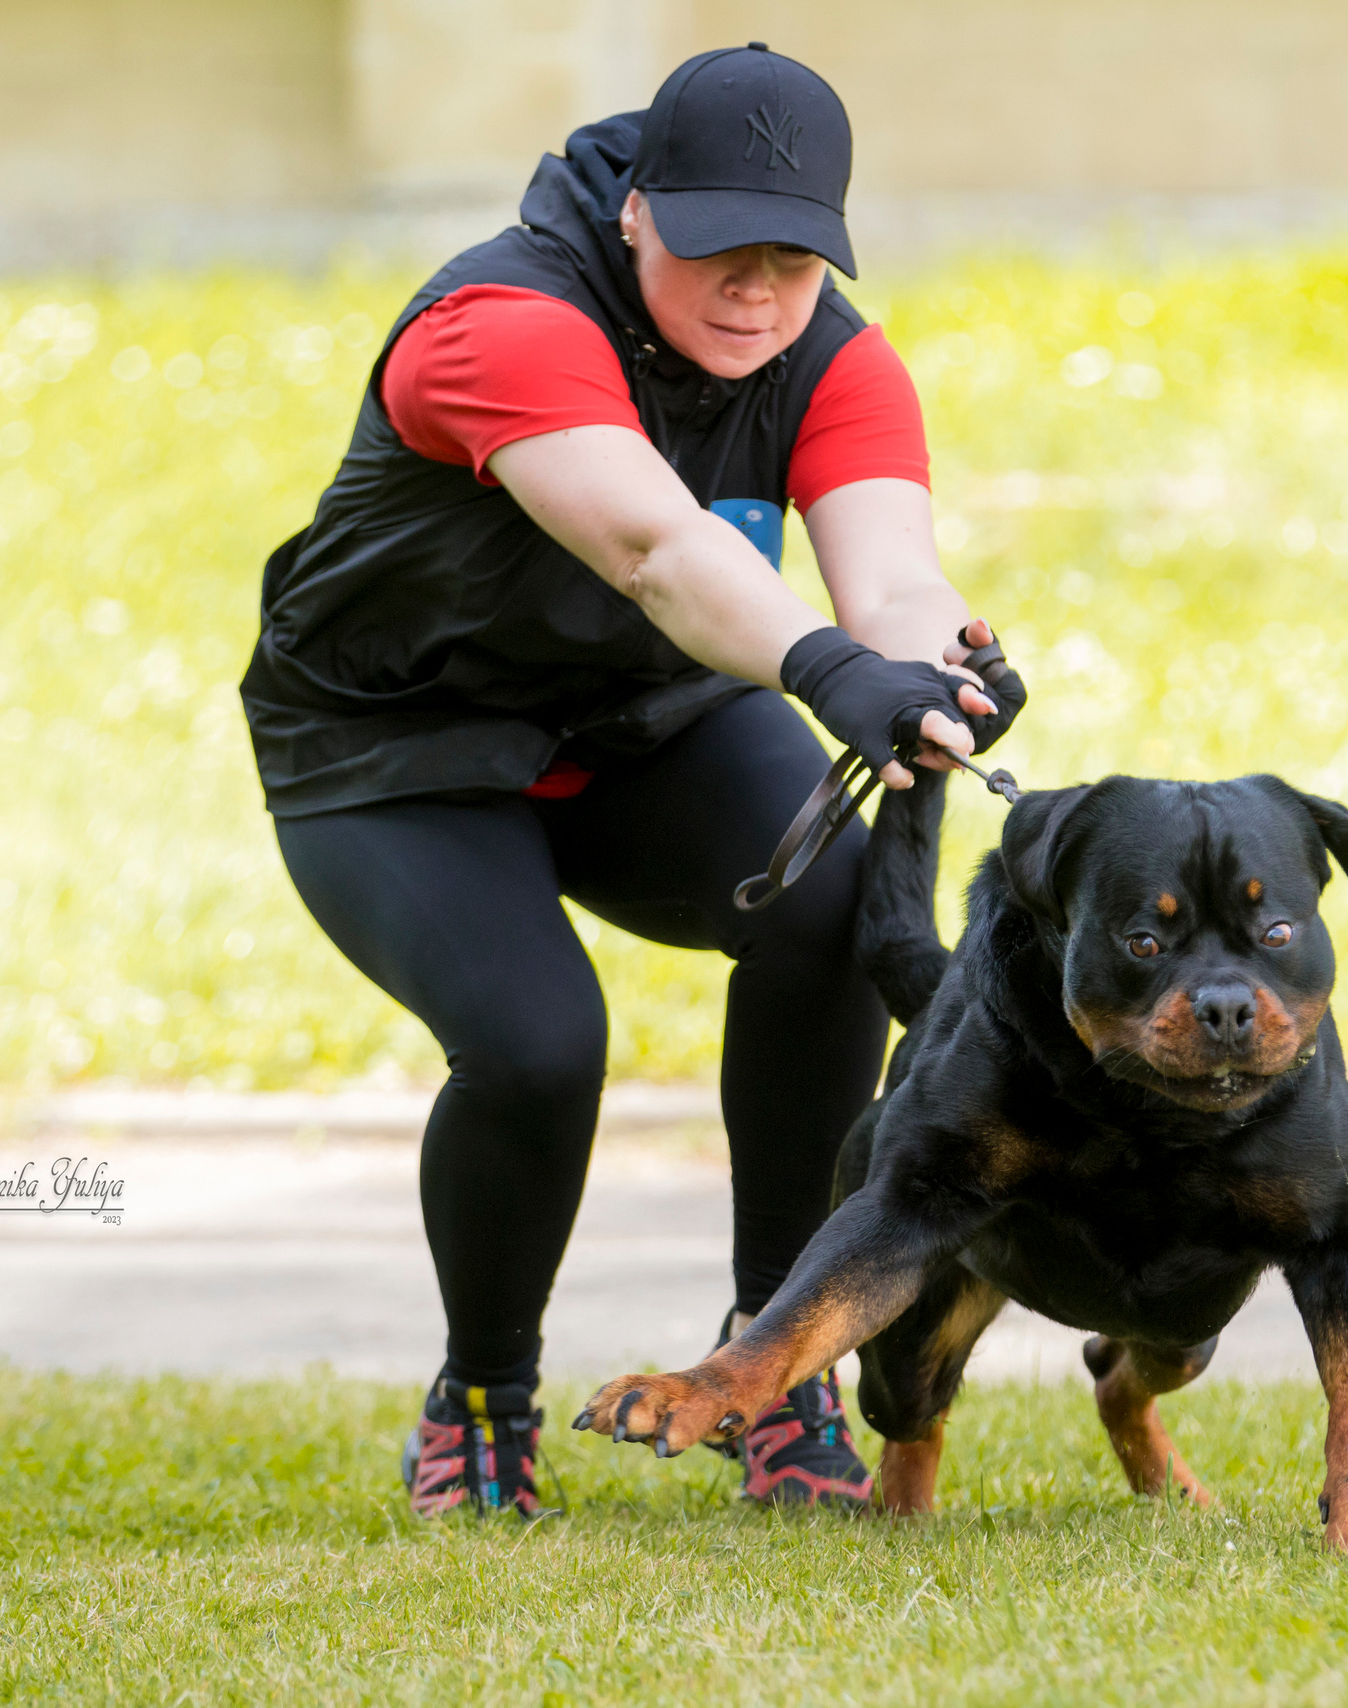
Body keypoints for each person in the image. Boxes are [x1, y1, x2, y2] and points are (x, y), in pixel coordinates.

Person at [239, 43, 1022, 1518]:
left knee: (839, 903)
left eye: (795, 257)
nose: (757, 289)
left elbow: (893, 578)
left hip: (638, 729)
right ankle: (483, 1395)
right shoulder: (497, 324)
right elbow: (656, 550)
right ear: (637, 214)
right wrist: (825, 667)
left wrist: (943, 664)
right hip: (394, 749)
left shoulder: (835, 357)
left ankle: (767, 1376)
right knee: (537, 1045)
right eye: (722, 245)